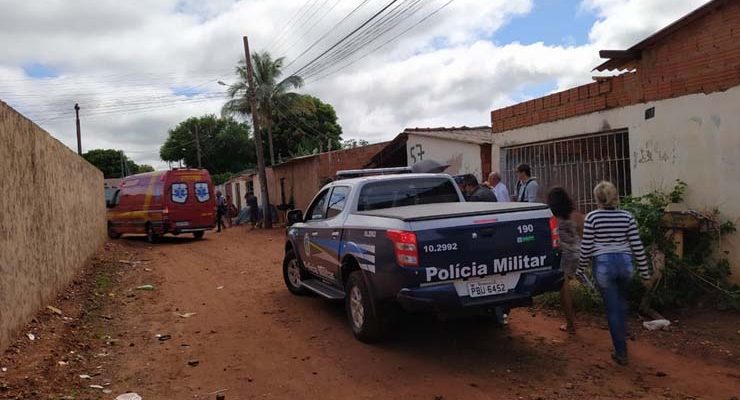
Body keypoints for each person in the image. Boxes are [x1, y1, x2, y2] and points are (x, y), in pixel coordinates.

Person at [578, 181, 651, 366]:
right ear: (615, 197)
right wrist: (645, 272)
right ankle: (622, 333)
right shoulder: (628, 216)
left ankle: (621, 352)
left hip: (604, 265)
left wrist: (580, 270)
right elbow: (637, 245)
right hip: (626, 264)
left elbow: (586, 246)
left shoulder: (592, 217)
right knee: (621, 303)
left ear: (597, 198)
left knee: (612, 309)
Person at [547, 187, 579, 334]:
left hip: (564, 254)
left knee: (564, 290)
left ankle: (571, 324)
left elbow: (555, 239)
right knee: (569, 288)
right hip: (576, 252)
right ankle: (572, 320)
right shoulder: (570, 215)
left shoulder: (553, 218)